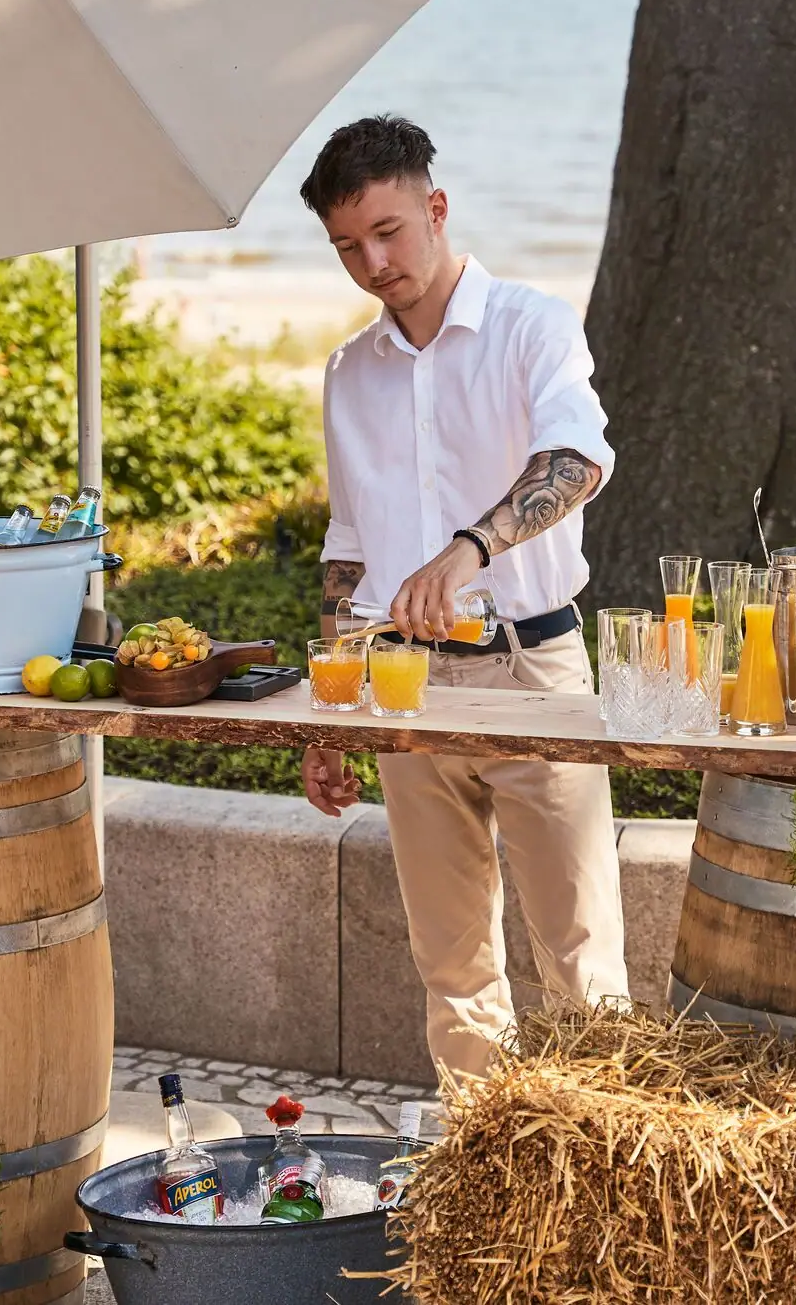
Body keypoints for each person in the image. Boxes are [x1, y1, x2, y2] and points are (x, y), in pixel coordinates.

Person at [297, 116, 629, 1078]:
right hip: (405, 692)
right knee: (451, 966)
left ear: (436, 209)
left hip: (535, 672)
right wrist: (332, 713)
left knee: (580, 956)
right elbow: (348, 553)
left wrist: (468, 549)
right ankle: (482, 1181)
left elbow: (578, 458)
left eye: (389, 231)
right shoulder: (348, 373)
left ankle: (599, 1174)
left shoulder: (533, 325)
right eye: (348, 246)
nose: (372, 262)